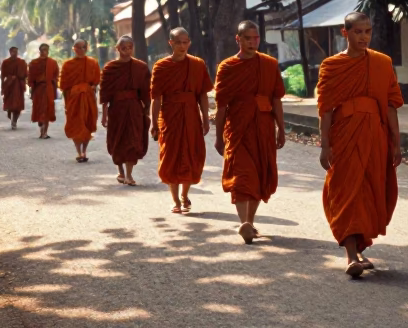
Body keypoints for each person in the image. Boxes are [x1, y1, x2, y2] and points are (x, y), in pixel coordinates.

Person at [316, 12, 404, 277]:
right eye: (358, 32)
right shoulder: (331, 66)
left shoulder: (382, 63)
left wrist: (396, 142)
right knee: (346, 190)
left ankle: (359, 248)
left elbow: (390, 107)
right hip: (344, 134)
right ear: (345, 33)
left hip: (376, 135)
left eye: (367, 32)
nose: (363, 37)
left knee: (369, 189)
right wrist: (325, 144)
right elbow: (326, 109)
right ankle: (351, 255)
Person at [213, 20, 285, 244]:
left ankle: (249, 222)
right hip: (237, 127)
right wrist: (218, 136)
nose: (252, 42)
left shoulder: (269, 65)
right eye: (247, 38)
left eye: (256, 38)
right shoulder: (227, 67)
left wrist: (281, 128)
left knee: (260, 174)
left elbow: (276, 99)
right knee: (242, 176)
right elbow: (222, 105)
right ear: (238, 39)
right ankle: (244, 221)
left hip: (263, 126)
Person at [150, 27, 211, 213]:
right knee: (171, 155)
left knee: (192, 154)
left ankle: (185, 194)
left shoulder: (198, 65)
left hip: (192, 115)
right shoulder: (161, 66)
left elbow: (202, 95)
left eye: (185, 42)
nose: (182, 46)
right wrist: (154, 123)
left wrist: (205, 118)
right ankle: (175, 200)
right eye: (178, 42)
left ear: (189, 43)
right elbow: (156, 97)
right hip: (170, 115)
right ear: (171, 43)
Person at [100, 35, 150, 186]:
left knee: (132, 139)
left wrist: (147, 109)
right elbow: (105, 93)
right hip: (116, 109)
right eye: (124, 48)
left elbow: (146, 90)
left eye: (130, 48)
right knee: (117, 140)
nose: (127, 51)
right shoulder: (110, 68)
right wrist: (103, 115)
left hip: (134, 108)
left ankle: (129, 174)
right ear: (117, 48)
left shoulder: (140, 67)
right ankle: (120, 171)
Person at [61, 40, 101, 162]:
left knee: (87, 123)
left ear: (86, 48)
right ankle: (79, 152)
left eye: (83, 47)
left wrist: (92, 87)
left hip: (88, 97)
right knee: (75, 123)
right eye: (78, 47)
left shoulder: (92, 63)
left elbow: (96, 80)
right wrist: (66, 101)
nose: (81, 50)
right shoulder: (67, 65)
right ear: (74, 49)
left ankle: (84, 150)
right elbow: (64, 85)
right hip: (73, 98)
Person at [28, 43, 60, 139]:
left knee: (47, 109)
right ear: (40, 51)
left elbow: (56, 75)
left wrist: (53, 81)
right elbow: (30, 77)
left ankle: (44, 132)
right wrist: (32, 85)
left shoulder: (53, 63)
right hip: (38, 89)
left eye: (46, 50)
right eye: (43, 50)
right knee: (39, 108)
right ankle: (40, 123)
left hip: (49, 88)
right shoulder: (34, 63)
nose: (45, 52)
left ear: (48, 51)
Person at [0, 46, 29, 129]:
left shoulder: (22, 62)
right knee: (9, 105)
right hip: (9, 85)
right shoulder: (5, 62)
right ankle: (11, 115)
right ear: (10, 52)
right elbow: (2, 75)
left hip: (18, 86)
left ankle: (14, 121)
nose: (14, 53)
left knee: (18, 105)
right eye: (13, 52)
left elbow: (26, 74)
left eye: (16, 52)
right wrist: (2, 87)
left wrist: (21, 79)